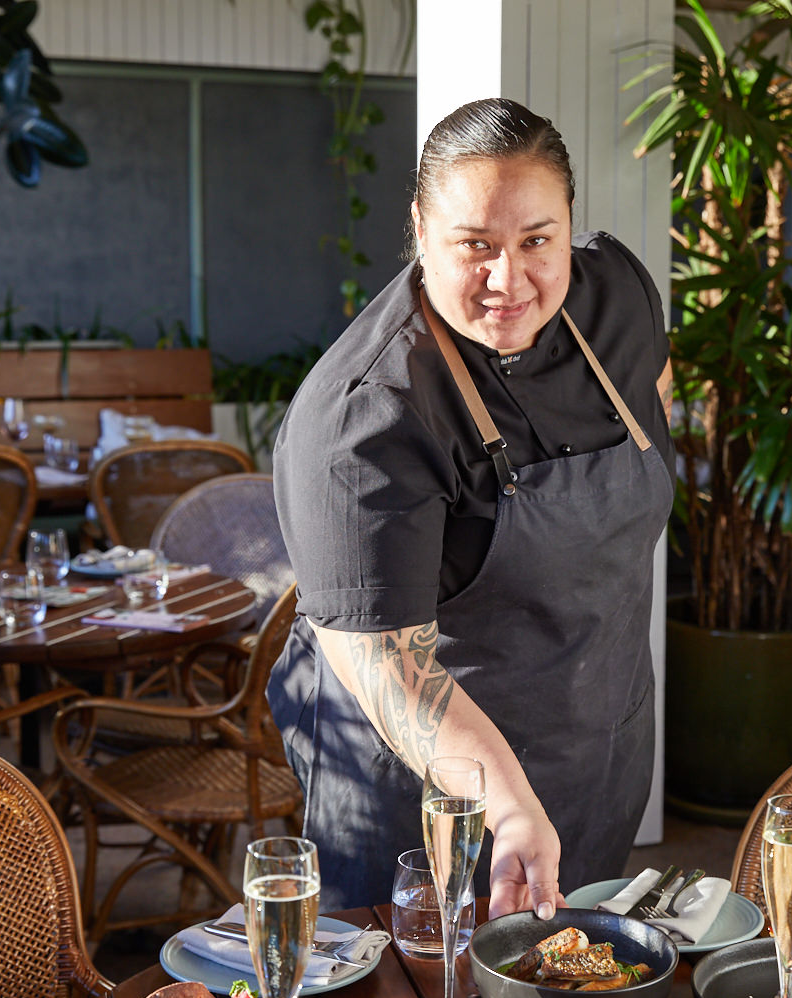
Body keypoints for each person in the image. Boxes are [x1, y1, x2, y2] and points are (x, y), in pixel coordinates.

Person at [268, 97, 674, 919]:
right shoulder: (363, 418)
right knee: (422, 969)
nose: (509, 280)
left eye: (537, 241)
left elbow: (655, 397)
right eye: (475, 246)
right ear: (421, 230)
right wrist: (508, 806)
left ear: (570, 225)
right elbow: (384, 666)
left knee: (573, 958)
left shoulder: (616, 295)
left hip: (596, 746)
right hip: (424, 791)